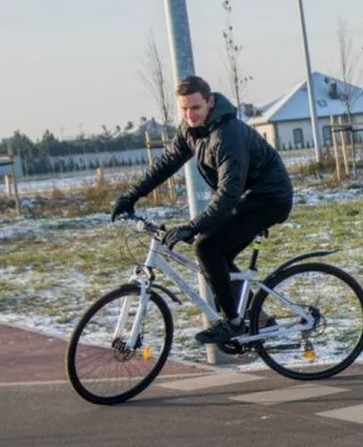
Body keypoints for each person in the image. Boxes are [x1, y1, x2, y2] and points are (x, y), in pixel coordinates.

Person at [110, 75, 294, 344]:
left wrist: (193, 226)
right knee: (216, 255)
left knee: (207, 247)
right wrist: (130, 196)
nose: (189, 114)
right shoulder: (192, 129)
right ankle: (257, 318)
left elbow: (228, 194)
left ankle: (232, 323)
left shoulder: (227, 135)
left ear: (210, 102)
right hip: (248, 197)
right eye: (183, 109)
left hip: (269, 199)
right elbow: (167, 163)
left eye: (195, 108)